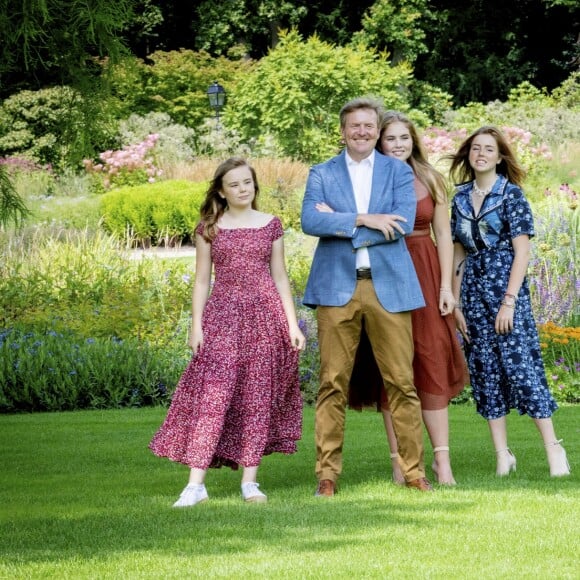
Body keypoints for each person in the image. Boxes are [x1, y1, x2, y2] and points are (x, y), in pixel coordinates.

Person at [149, 157, 306, 507]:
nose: (242, 189)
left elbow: (280, 278)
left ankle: (250, 481)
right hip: (222, 318)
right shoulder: (209, 228)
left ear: (255, 186)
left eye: (247, 182)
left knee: (257, 396)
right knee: (212, 396)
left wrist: (292, 324)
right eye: (234, 184)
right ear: (221, 190)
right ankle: (195, 485)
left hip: (266, 319)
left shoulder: (271, 225)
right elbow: (202, 280)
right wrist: (196, 325)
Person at [301, 96, 434, 496]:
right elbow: (310, 220)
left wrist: (338, 222)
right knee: (331, 383)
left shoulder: (397, 172)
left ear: (377, 131)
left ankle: (414, 473)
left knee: (402, 383)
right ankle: (327, 475)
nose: (362, 131)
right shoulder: (321, 173)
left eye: (368, 126)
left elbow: (402, 223)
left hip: (388, 287)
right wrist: (364, 218)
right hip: (336, 288)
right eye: (354, 125)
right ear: (342, 131)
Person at [348, 111, 467, 485]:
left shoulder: (430, 179)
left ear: (413, 140)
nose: (397, 144)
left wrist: (447, 288)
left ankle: (441, 462)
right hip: (386, 273)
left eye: (404, 138)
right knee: (393, 367)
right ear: (379, 143)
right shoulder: (371, 181)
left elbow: (445, 236)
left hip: (427, 270)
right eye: (390, 139)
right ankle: (399, 461)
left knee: (431, 358)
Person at [448, 126, 570, 477]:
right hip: (472, 293)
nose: (481, 153)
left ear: (500, 157)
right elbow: (458, 249)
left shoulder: (511, 195)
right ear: (469, 155)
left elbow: (522, 252)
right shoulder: (458, 198)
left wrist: (509, 302)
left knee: (521, 368)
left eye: (488, 149)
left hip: (505, 290)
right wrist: (455, 303)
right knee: (485, 371)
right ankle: (503, 455)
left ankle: (553, 450)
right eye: (475, 148)